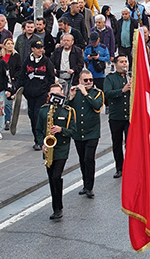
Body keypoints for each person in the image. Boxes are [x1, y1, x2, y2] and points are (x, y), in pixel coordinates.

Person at [37, 84, 76, 220]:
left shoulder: (68, 111)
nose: (54, 97)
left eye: (57, 94)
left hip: (61, 149)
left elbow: (73, 131)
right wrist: (42, 143)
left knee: (56, 176)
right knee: (51, 178)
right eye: (52, 94)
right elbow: (38, 130)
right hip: (48, 148)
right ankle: (55, 206)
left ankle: (58, 207)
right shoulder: (43, 111)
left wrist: (61, 130)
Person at [69, 69, 104, 199]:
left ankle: (90, 187)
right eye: (86, 80)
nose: (89, 82)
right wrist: (71, 98)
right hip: (79, 132)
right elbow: (68, 110)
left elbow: (97, 106)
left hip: (92, 132)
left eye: (90, 80)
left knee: (89, 159)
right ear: (80, 81)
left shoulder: (97, 93)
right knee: (82, 159)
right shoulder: (75, 93)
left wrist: (85, 94)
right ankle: (85, 183)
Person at [17, 40, 55, 151]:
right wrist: (18, 90)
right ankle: (36, 139)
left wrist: (48, 90)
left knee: (39, 115)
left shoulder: (46, 61)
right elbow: (21, 77)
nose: (40, 50)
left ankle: (41, 140)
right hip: (30, 94)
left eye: (41, 48)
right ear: (32, 49)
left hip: (42, 94)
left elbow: (51, 77)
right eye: (38, 48)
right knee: (32, 116)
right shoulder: (27, 61)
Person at [105, 54, 131, 178]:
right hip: (116, 116)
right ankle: (119, 167)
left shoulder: (131, 76)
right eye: (121, 62)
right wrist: (122, 90)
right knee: (117, 143)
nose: (124, 64)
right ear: (115, 64)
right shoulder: (110, 78)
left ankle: (130, 166)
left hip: (130, 116)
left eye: (125, 61)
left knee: (130, 143)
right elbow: (107, 93)